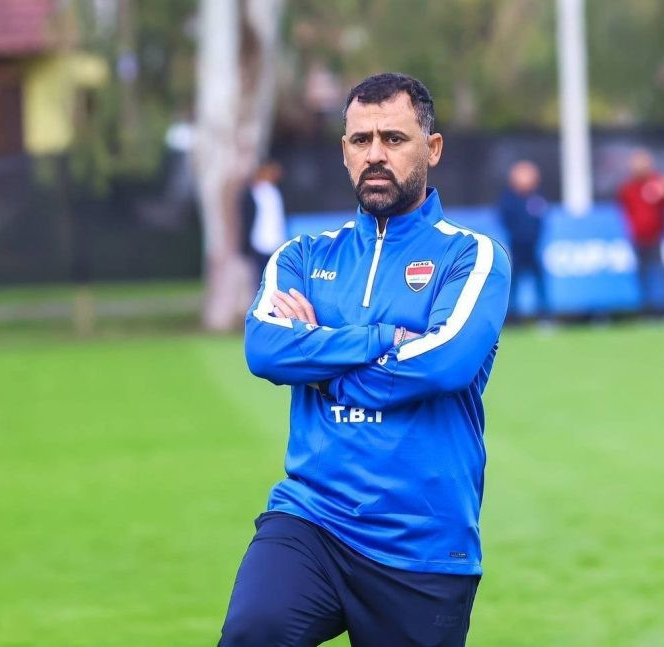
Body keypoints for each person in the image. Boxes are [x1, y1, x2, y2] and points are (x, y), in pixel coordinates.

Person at [219, 73, 511, 647]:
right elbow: (265, 347)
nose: (375, 154)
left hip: (423, 543)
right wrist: (382, 338)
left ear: (432, 148)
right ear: (345, 151)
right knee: (254, 630)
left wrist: (320, 363)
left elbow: (443, 365)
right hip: (312, 520)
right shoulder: (303, 256)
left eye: (394, 139)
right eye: (361, 140)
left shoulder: (472, 256)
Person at [617, 149, 664, 313]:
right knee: (641, 273)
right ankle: (646, 309)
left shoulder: (657, 183)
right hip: (637, 237)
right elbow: (626, 209)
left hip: (655, 237)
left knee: (660, 272)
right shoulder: (628, 187)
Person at [498, 160, 548, 320]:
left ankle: (544, 314)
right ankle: (512, 316)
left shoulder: (537, 198)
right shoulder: (508, 200)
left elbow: (540, 221)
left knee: (539, 281)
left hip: (533, 247)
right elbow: (505, 220)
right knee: (513, 282)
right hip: (517, 247)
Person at [241, 160, 288, 282]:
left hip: (275, 241)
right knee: (261, 278)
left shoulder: (275, 192)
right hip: (259, 242)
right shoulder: (256, 192)